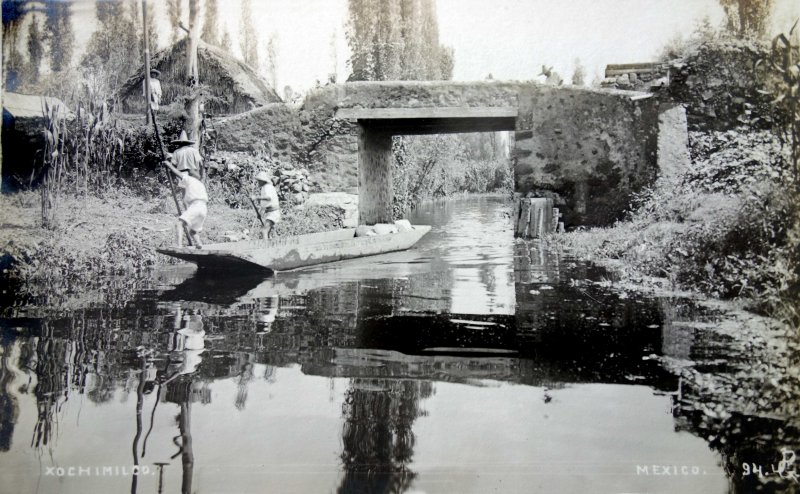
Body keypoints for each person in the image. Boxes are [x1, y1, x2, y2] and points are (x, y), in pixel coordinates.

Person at [164, 158, 208, 248]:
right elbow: (185, 196)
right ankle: (199, 244)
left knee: (179, 224)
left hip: (196, 206)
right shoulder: (200, 184)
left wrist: (169, 165)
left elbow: (179, 174)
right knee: (193, 231)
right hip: (203, 208)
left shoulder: (189, 179)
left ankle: (178, 245)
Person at [251, 170, 280, 239]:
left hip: (273, 212)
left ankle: (265, 248)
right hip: (270, 212)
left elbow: (268, 198)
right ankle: (269, 247)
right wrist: (260, 213)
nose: (258, 182)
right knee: (268, 232)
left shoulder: (268, 187)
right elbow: (265, 204)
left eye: (259, 181)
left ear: (263, 181)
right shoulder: (264, 188)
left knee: (264, 231)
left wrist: (256, 197)